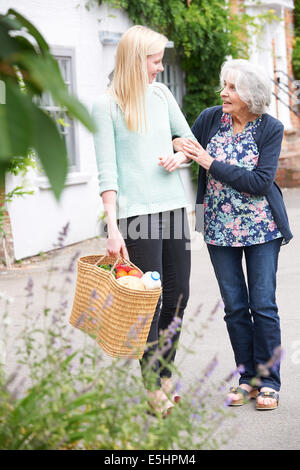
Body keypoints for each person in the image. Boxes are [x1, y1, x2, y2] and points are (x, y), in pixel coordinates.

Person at [174, 59, 293, 410]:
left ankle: (269, 380)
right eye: (223, 85)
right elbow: (187, 146)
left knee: (263, 305)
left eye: (231, 88)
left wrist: (209, 162)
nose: (223, 93)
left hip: (262, 227)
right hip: (218, 228)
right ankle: (247, 379)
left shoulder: (269, 128)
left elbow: (259, 182)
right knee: (235, 307)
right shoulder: (211, 118)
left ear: (250, 95)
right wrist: (179, 154)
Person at [92, 25, 196, 415]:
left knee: (178, 295)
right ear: (137, 61)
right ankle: (153, 385)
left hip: (172, 207)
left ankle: (165, 372)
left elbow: (187, 140)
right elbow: (108, 171)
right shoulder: (105, 105)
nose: (159, 68)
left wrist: (179, 155)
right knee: (147, 302)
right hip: (135, 216)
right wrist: (113, 227)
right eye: (155, 62)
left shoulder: (162, 94)